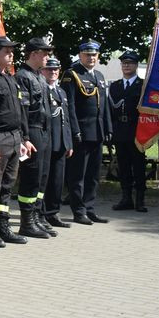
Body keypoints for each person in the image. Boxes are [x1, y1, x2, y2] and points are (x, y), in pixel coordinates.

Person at [0, 36, 33, 247]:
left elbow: (19, 112)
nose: (11, 55)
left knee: (7, 186)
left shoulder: (10, 78)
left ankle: (3, 227)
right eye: (7, 51)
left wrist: (23, 138)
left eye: (13, 51)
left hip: (13, 137)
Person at [61, 39, 112, 224]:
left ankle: (90, 208)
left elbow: (104, 106)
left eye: (94, 55)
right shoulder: (72, 74)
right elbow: (70, 107)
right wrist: (75, 131)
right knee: (78, 175)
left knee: (93, 175)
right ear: (80, 55)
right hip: (81, 133)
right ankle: (78, 211)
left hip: (97, 132)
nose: (91, 58)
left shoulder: (99, 75)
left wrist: (108, 128)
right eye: (87, 54)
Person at [14, 37, 56, 238]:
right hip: (33, 130)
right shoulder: (23, 76)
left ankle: (38, 215)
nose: (48, 57)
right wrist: (25, 137)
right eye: (45, 53)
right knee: (31, 177)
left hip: (45, 131)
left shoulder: (38, 76)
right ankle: (27, 221)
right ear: (33, 54)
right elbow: (23, 111)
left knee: (42, 177)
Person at [109, 51, 147, 213]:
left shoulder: (143, 85)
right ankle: (126, 198)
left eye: (130, 63)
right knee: (123, 166)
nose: (126, 66)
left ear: (136, 65)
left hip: (137, 130)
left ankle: (140, 200)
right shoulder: (115, 86)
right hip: (120, 130)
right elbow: (110, 110)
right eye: (124, 63)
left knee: (138, 166)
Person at [41, 58, 75, 228]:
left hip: (61, 143)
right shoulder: (41, 90)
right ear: (42, 71)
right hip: (46, 143)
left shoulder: (61, 91)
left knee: (57, 181)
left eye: (55, 69)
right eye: (49, 69)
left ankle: (53, 213)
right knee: (44, 180)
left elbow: (66, 118)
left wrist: (68, 142)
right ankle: (41, 213)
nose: (53, 72)